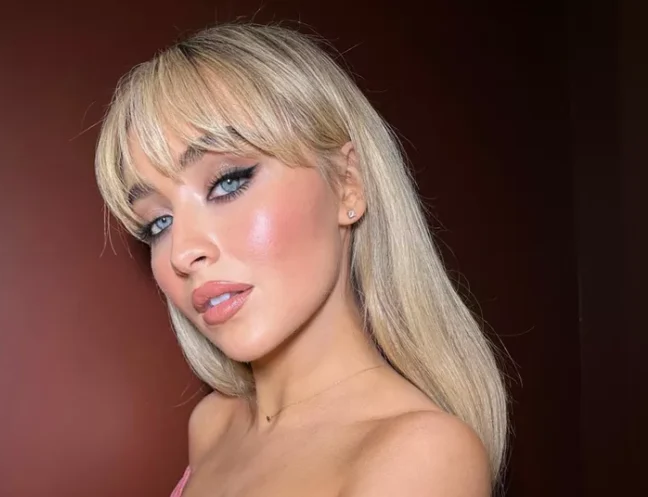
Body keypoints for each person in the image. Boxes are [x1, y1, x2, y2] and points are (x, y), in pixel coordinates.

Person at [95, 22, 507, 497]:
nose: (183, 252)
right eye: (159, 223)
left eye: (228, 182)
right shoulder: (212, 426)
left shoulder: (422, 456)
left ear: (348, 184)